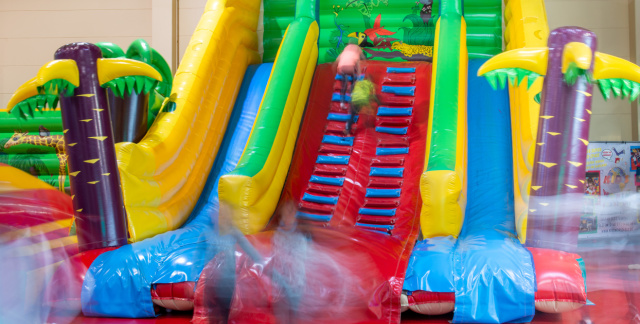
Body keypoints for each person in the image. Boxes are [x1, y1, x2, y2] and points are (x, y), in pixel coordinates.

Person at [336, 40, 366, 109]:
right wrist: (359, 74)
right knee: (353, 76)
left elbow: (337, 60)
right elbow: (358, 63)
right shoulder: (357, 49)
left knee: (344, 85)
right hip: (350, 68)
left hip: (342, 68)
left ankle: (342, 103)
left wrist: (337, 69)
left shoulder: (345, 51)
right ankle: (352, 92)